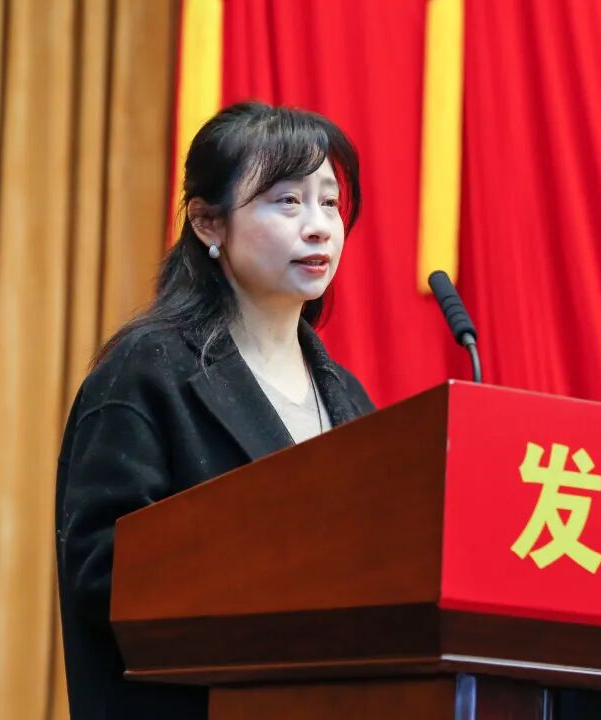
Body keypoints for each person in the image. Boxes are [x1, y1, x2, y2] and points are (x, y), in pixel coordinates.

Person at [54, 102, 374, 720]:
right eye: (288, 201)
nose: (319, 227)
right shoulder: (147, 373)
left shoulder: (347, 396)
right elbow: (104, 576)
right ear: (208, 223)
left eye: (330, 202)